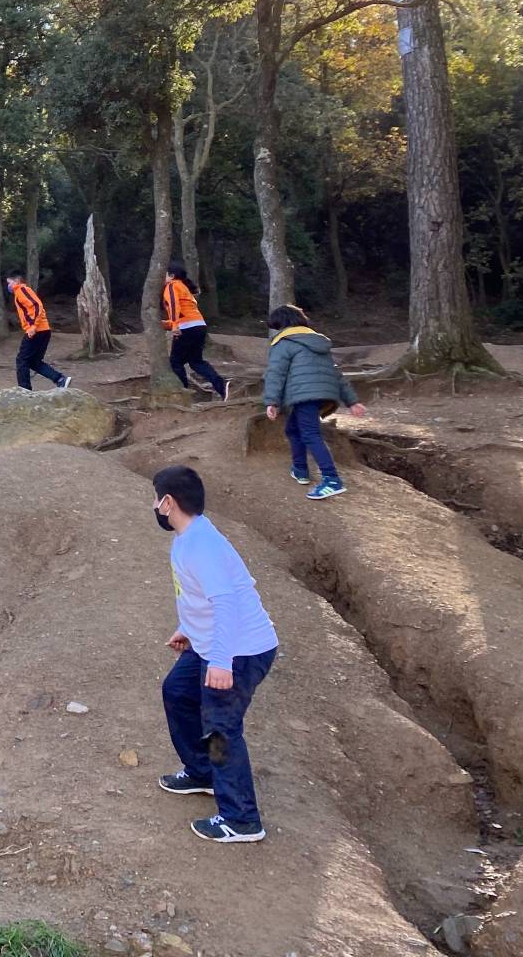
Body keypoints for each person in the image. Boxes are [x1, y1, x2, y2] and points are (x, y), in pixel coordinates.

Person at [152, 464, 280, 844]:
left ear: (168, 502)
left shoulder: (201, 546)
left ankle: (241, 818)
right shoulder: (190, 537)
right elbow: (200, 597)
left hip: (240, 651)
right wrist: (188, 629)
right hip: (213, 643)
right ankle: (203, 772)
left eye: (156, 499)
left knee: (220, 728)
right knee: (177, 691)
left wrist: (222, 661)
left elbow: (226, 603)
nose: (154, 506)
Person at [262, 305, 367, 500]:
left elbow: (275, 373)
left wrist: (272, 402)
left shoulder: (284, 343)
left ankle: (332, 480)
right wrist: (352, 401)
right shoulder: (318, 342)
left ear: (281, 323)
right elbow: (336, 374)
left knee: (310, 434)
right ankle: (300, 469)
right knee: (293, 429)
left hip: (303, 394)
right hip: (322, 394)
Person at [162, 261, 228, 401]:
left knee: (175, 362)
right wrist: (165, 324)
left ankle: (183, 393)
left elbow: (174, 306)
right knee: (196, 361)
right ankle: (221, 386)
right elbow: (185, 313)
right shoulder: (184, 287)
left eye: (165, 274)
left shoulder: (172, 286)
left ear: (172, 276)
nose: (163, 277)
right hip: (199, 326)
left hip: (186, 328)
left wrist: (174, 325)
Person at [5, 269, 69, 391]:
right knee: (34, 362)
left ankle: (24, 390)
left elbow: (37, 305)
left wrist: (33, 326)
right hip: (43, 330)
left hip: (37, 330)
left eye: (10, 283)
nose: (9, 286)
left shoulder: (21, 290)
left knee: (22, 360)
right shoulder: (21, 292)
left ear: (17, 280)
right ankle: (60, 379)